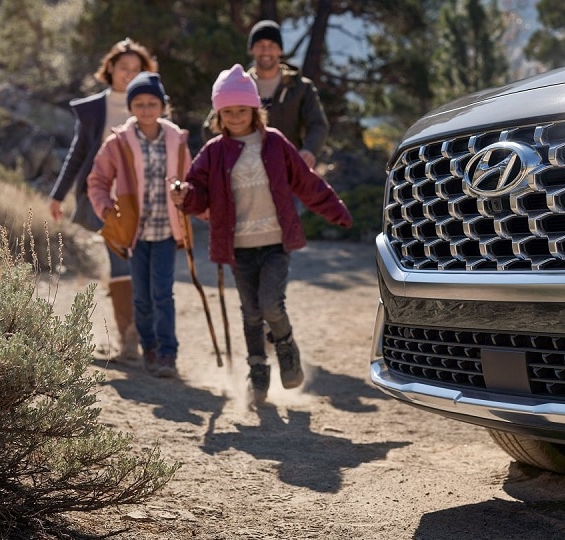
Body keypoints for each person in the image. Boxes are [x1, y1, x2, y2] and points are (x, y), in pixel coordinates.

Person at [170, 64, 351, 402]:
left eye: (242, 110)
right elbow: (197, 192)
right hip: (238, 246)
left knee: (270, 304)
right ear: (218, 114)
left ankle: (286, 347)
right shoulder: (213, 152)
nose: (236, 117)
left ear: (255, 110)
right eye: (228, 111)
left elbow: (307, 182)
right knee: (251, 312)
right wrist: (185, 195)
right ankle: (257, 372)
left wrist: (336, 211)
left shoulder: (276, 144)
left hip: (274, 242)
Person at [48, 38, 157, 361]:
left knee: (145, 263)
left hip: (147, 200)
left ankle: (146, 337)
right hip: (105, 199)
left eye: (137, 69)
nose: (129, 74)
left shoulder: (151, 102)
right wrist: (58, 193)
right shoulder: (96, 107)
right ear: (110, 68)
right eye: (124, 68)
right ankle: (129, 339)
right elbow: (79, 152)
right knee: (121, 259)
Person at [88, 72, 191, 378]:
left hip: (166, 230)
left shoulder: (177, 139)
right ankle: (149, 347)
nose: (146, 109)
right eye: (139, 103)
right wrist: (106, 210)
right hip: (133, 232)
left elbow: (192, 180)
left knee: (163, 292)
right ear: (131, 107)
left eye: (152, 103)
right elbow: (98, 180)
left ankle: (167, 353)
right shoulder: (118, 142)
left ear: (163, 105)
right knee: (142, 297)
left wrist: (185, 193)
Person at [246, 19, 329, 169]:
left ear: (280, 50)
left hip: (289, 170)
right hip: (246, 171)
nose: (266, 51)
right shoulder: (238, 86)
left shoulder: (300, 87)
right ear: (251, 49)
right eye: (260, 46)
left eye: (271, 45)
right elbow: (212, 126)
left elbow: (318, 125)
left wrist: (309, 150)